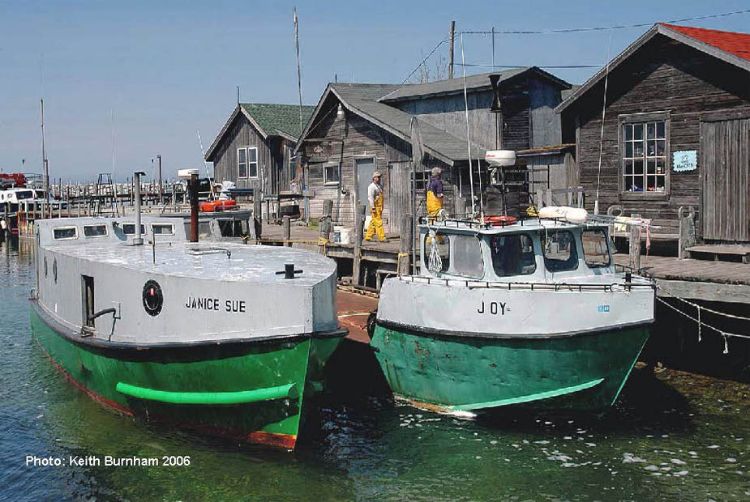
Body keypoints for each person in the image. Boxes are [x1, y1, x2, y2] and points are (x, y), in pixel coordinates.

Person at [364, 171, 386, 242]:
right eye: (377, 177)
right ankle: (382, 237)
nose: (379, 179)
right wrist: (373, 207)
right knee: (379, 221)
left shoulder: (379, 186)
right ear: (374, 178)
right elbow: (370, 197)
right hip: (375, 207)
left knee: (373, 222)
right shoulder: (371, 187)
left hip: (379, 207)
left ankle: (368, 236)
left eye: (379, 177)